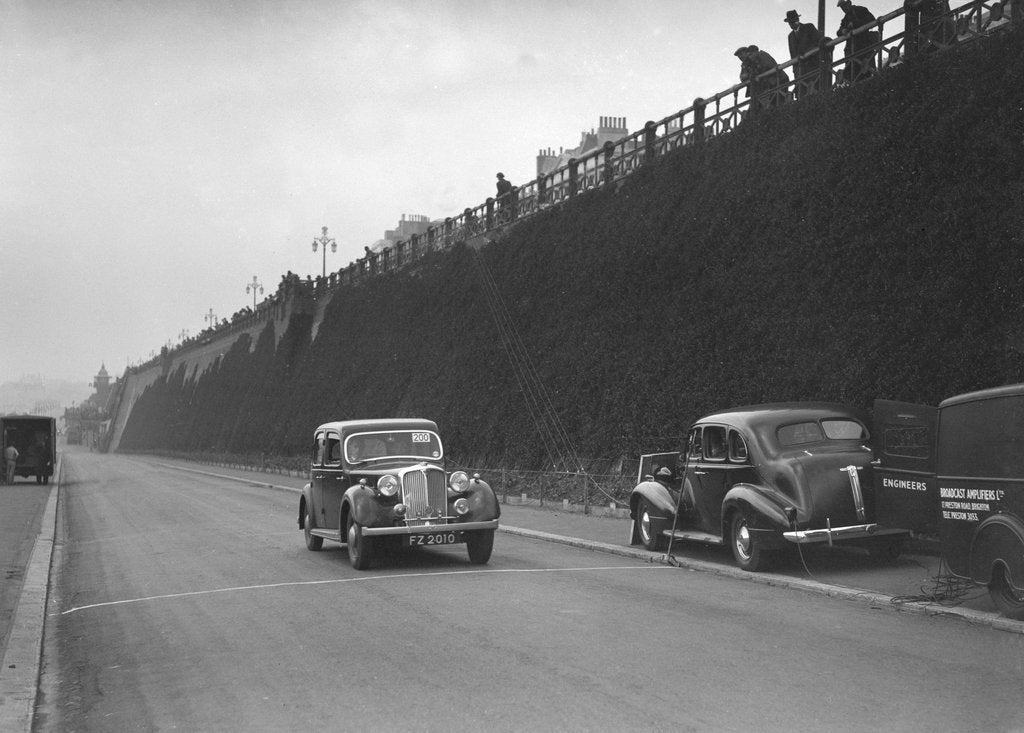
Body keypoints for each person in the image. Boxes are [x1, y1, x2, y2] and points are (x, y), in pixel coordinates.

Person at [786, 9, 827, 98]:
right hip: (800, 70)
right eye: (790, 23)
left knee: (816, 91)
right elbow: (792, 54)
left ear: (798, 19)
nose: (792, 24)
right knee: (802, 94)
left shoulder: (809, 27)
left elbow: (818, 41)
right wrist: (795, 70)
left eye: (793, 21)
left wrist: (806, 53)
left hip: (813, 65)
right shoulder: (790, 36)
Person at [736, 45, 791, 112]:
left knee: (777, 104)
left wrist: (755, 74)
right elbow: (743, 77)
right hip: (764, 88)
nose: (741, 57)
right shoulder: (746, 64)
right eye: (739, 56)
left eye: (742, 54)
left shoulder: (762, 55)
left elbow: (767, 66)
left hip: (777, 82)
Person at [836, 0, 879, 83]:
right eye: (842, 7)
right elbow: (838, 32)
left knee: (868, 72)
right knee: (854, 76)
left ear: (849, 3)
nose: (843, 9)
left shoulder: (861, 10)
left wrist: (855, 24)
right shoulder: (845, 19)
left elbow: (871, 19)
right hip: (852, 49)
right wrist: (843, 31)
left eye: (844, 6)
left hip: (864, 45)